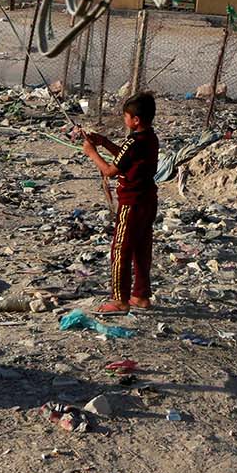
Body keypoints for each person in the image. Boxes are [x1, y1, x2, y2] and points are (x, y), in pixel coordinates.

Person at [72, 93, 160, 315]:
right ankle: (140, 296)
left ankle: (120, 300)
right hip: (148, 200)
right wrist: (104, 143)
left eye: (126, 116)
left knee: (120, 249)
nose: (125, 120)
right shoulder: (149, 138)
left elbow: (111, 171)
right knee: (141, 248)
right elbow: (126, 158)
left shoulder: (133, 142)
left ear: (135, 119)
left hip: (131, 203)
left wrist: (92, 153)